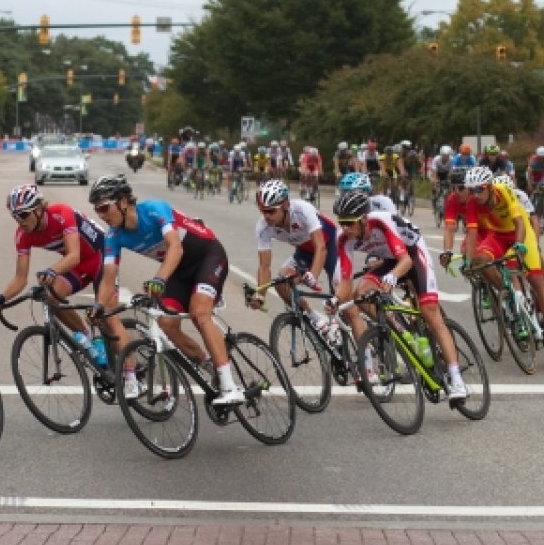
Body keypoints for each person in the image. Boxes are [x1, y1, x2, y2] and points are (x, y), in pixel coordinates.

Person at [88, 174, 247, 405]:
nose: (100, 215)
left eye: (104, 207)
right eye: (96, 210)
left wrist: (159, 279)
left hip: (207, 256)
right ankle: (208, 365)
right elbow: (108, 278)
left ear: (123, 201)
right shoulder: (113, 236)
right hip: (179, 270)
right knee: (167, 324)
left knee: (199, 313)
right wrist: (100, 305)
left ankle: (230, 387)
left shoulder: (154, 209)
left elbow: (176, 247)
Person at [329, 189, 469, 404]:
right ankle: (401, 331)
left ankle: (456, 379)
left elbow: (406, 260)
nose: (345, 228)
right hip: (389, 259)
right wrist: (335, 299)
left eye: (349, 223)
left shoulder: (380, 223)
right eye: (342, 223)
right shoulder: (343, 239)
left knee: (430, 313)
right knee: (361, 294)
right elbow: (346, 280)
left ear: (364, 219)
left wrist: (394, 276)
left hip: (412, 253)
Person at [0, 185, 123, 356]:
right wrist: (1, 298)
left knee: (108, 318)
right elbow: (20, 278)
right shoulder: (23, 235)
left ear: (38, 209)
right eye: (15, 216)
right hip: (80, 265)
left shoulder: (61, 213)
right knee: (51, 297)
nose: (20, 221)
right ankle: (87, 337)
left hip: (102, 257)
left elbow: (74, 256)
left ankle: (131, 370)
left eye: (23, 214)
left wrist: (51, 271)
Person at [460, 166, 544, 351]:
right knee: (480, 260)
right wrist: (469, 261)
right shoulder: (472, 203)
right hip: (498, 236)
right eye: (471, 190)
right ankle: (507, 294)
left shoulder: (504, 191)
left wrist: (518, 244)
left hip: (520, 233)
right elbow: (472, 233)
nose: (475, 194)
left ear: (489, 186)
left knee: (536, 280)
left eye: (479, 189)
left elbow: (519, 222)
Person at [248, 179, 340, 332]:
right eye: (263, 211)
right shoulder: (263, 227)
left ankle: (362, 343)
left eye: (271, 211)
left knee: (340, 296)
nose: (267, 216)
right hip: (305, 251)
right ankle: (315, 320)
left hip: (331, 245)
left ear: (285, 204)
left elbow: (321, 247)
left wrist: (313, 275)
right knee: (281, 281)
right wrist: (260, 295)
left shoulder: (302, 210)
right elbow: (264, 266)